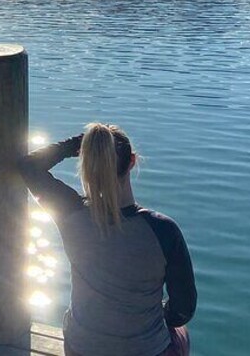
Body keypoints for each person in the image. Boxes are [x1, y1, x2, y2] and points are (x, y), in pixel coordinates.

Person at [18, 123, 196, 356]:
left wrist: (76, 144)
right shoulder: (163, 230)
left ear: (89, 165)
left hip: (82, 348)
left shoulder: (69, 213)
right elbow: (183, 309)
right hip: (147, 350)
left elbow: (28, 166)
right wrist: (162, 314)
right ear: (132, 161)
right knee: (180, 330)